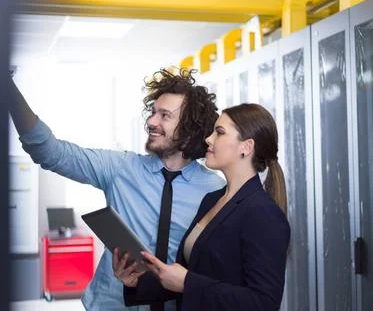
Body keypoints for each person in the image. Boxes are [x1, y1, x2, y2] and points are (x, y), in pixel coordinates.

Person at [8, 67, 226, 310]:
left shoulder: (215, 190)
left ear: (190, 126)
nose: (151, 122)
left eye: (165, 115)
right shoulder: (121, 168)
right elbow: (48, 152)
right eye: (153, 113)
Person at [114, 103, 290, 311]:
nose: (209, 139)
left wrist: (188, 282)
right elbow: (191, 277)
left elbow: (263, 303)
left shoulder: (263, 213)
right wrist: (137, 283)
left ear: (246, 147)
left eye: (219, 133)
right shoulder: (212, 200)